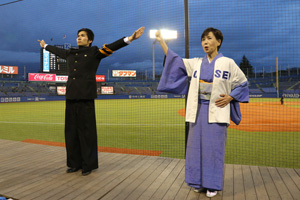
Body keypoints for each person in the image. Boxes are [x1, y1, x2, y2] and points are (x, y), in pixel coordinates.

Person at [155, 28, 249, 198]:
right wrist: (161, 41)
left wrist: (230, 97)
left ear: (218, 42)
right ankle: (197, 182)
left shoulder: (228, 63)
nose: (205, 42)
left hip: (217, 112)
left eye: (209, 38)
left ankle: (212, 185)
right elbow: (175, 61)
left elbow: (243, 83)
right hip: (197, 111)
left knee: (213, 150)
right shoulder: (197, 63)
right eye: (203, 39)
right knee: (194, 149)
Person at [38, 27, 144, 176]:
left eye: (82, 36)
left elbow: (112, 47)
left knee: (86, 134)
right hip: (71, 97)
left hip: (85, 97)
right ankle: (74, 164)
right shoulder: (70, 53)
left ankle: (88, 165)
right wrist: (45, 46)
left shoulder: (94, 53)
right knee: (71, 133)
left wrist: (130, 38)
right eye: (78, 36)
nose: (79, 38)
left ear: (90, 40)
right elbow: (57, 51)